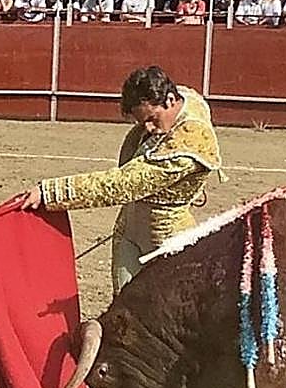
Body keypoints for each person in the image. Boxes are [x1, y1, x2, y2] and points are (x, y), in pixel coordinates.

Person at [18, 66, 223, 294]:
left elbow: (122, 184)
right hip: (128, 230)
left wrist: (50, 192)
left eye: (152, 119)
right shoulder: (185, 98)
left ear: (170, 100)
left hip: (168, 242)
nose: (148, 128)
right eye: (141, 121)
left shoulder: (191, 143)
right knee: (124, 310)